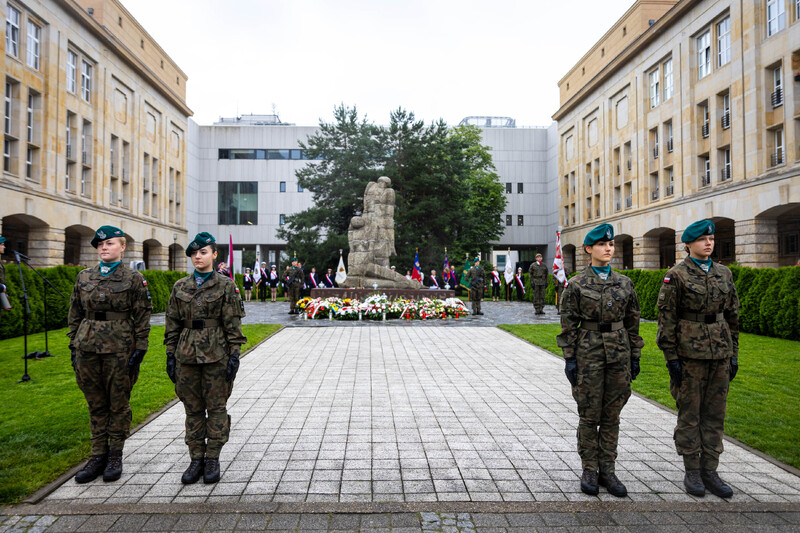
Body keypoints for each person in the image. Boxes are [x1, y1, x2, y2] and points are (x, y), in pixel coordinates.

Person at [557, 223, 643, 497]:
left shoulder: (624, 283)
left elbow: (632, 322)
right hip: (589, 355)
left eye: (611, 244)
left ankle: (608, 469)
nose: (608, 249)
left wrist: (635, 355)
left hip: (619, 354)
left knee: (612, 414)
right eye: (603, 245)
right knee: (589, 414)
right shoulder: (577, 284)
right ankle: (590, 469)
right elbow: (568, 324)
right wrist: (570, 359)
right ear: (588, 250)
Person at [656, 219, 739, 499]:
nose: (709, 243)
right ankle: (692, 470)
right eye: (703, 239)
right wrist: (671, 358)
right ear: (688, 244)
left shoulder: (724, 274)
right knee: (690, 413)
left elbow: (733, 318)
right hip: (689, 355)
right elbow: (666, 319)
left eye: (712, 239)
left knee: (715, 414)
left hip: (720, 354)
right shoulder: (676, 275)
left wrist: (734, 354)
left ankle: (710, 470)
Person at [66, 225, 152, 484]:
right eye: (100, 244)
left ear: (123, 247)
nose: (104, 247)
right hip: (87, 348)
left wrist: (140, 348)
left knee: (118, 402)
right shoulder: (84, 277)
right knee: (95, 402)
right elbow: (74, 313)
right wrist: (73, 343)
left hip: (119, 349)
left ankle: (115, 455)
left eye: (110, 243)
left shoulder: (133, 278)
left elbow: (143, 315)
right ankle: (97, 455)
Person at [164, 232, 246, 484]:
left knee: (217, 407)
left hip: (216, 356)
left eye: (202, 252)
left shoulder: (226, 285)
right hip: (186, 356)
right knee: (193, 409)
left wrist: (234, 355)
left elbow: (232, 324)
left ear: (214, 254)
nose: (197, 257)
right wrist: (170, 354)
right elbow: (172, 323)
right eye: (193, 253)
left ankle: (212, 458)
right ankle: (195, 458)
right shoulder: (180, 286)